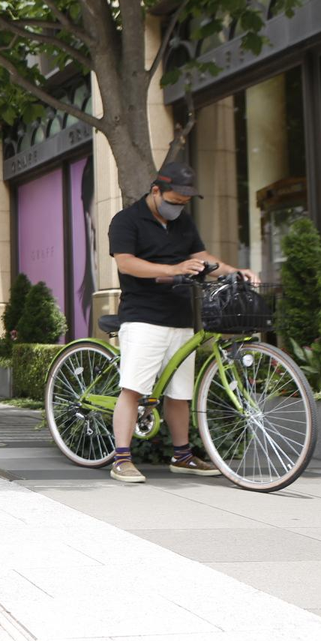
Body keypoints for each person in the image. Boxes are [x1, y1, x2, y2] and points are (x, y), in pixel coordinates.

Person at [107, 161, 259, 483]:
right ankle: (121, 459)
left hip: (181, 316)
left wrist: (235, 272)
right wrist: (173, 269)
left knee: (180, 393)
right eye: (174, 202)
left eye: (184, 203)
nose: (178, 208)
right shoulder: (126, 220)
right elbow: (126, 263)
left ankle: (182, 456)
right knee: (133, 389)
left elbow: (202, 258)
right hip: (143, 316)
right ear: (156, 191)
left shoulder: (183, 222)